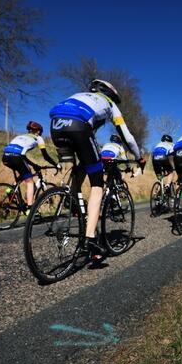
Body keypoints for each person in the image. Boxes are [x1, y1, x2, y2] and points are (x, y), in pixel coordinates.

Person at [49, 79, 145, 262]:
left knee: (82, 166)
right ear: (110, 94)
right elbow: (127, 135)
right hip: (78, 126)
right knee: (97, 184)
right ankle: (91, 239)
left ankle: (75, 203)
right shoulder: (109, 104)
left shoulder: (78, 96)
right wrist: (139, 156)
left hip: (55, 125)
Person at [2, 121, 59, 211]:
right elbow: (45, 156)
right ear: (38, 131)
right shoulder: (38, 138)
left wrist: (34, 165)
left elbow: (22, 155)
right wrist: (56, 165)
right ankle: (30, 208)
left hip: (5, 157)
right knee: (30, 182)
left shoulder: (19, 136)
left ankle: (12, 189)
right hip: (17, 157)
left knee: (24, 173)